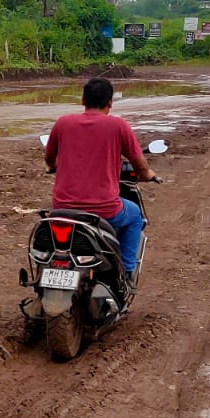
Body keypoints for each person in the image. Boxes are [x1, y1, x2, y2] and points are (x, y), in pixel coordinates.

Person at [43, 77, 155, 278]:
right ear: (110, 103)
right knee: (135, 216)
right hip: (105, 210)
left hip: (62, 208)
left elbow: (49, 159)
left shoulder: (63, 123)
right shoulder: (118, 126)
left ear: (83, 100)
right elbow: (141, 166)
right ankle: (127, 272)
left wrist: (55, 166)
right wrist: (147, 174)